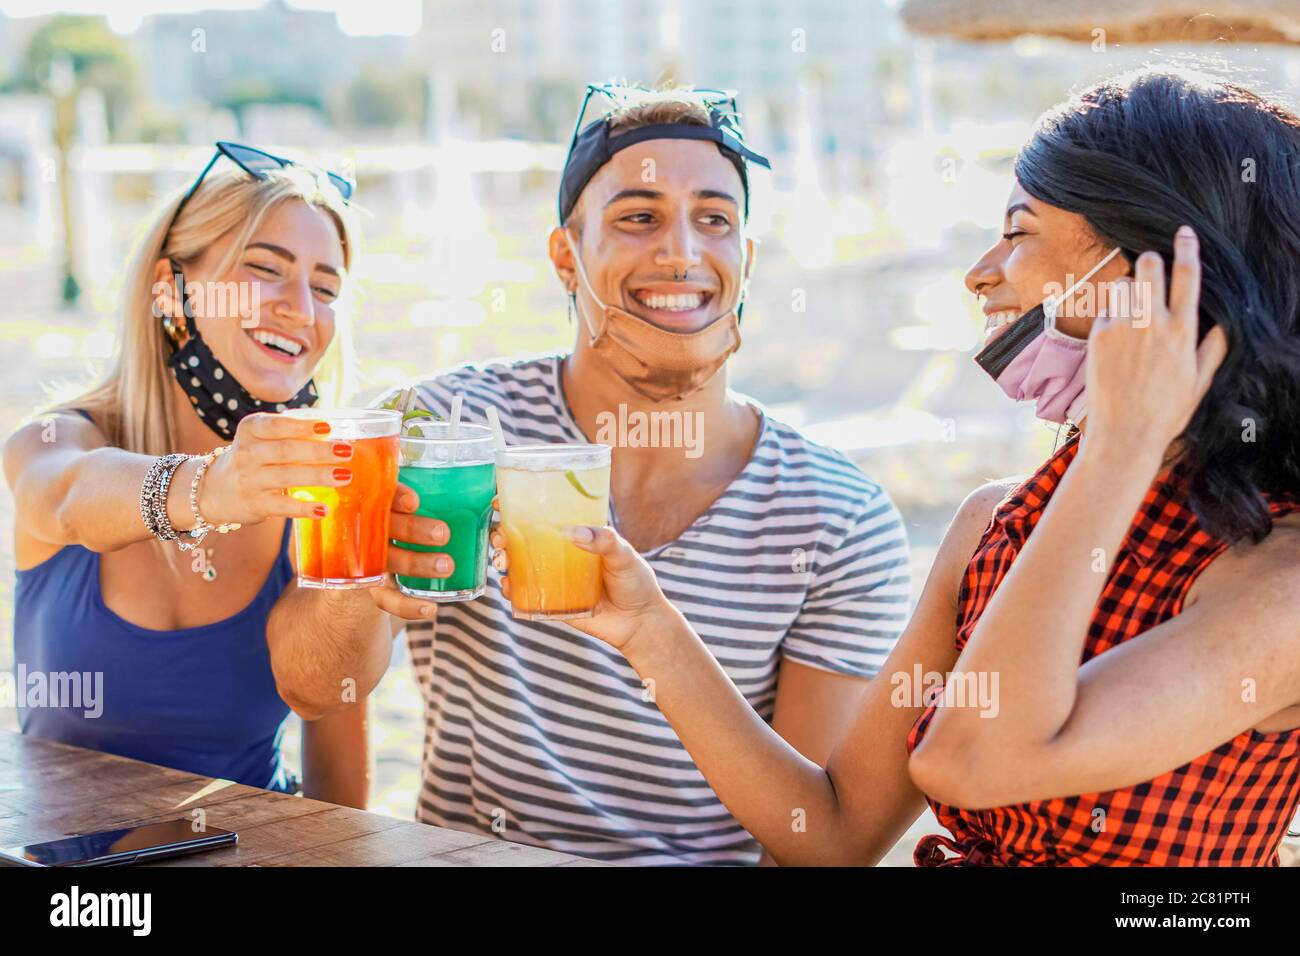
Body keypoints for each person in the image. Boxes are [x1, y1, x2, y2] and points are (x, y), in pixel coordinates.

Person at [538, 66, 1300, 865]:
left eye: (1018, 232)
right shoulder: (992, 527)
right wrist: (651, 631)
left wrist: (1119, 442)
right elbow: (832, 835)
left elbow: (972, 759)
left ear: (1154, 276)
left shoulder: (1277, 585)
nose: (980, 273)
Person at [268, 84, 912, 864]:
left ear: (746, 260)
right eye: (638, 217)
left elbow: (816, 842)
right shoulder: (442, 426)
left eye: (715, 219)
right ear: (565, 256)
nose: (681, 251)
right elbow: (309, 686)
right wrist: (371, 594)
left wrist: (655, 640)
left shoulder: (839, 517)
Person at [4, 143, 383, 803]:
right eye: (266, 269)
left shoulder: (325, 489)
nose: (301, 307)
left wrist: (368, 580)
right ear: (168, 290)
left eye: (325, 287)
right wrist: (214, 487)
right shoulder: (58, 439)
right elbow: (64, 498)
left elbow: (337, 779)